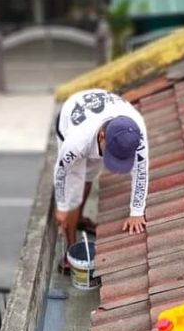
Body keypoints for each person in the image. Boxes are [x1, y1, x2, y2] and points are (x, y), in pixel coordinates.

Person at [54, 89, 148, 271]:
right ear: (102, 136)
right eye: (113, 155)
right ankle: (71, 251)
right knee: (74, 191)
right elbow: (61, 171)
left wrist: (137, 211)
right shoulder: (76, 142)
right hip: (71, 116)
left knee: (89, 177)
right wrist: (62, 206)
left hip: (100, 122)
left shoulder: (136, 134)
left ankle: (79, 219)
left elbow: (141, 171)